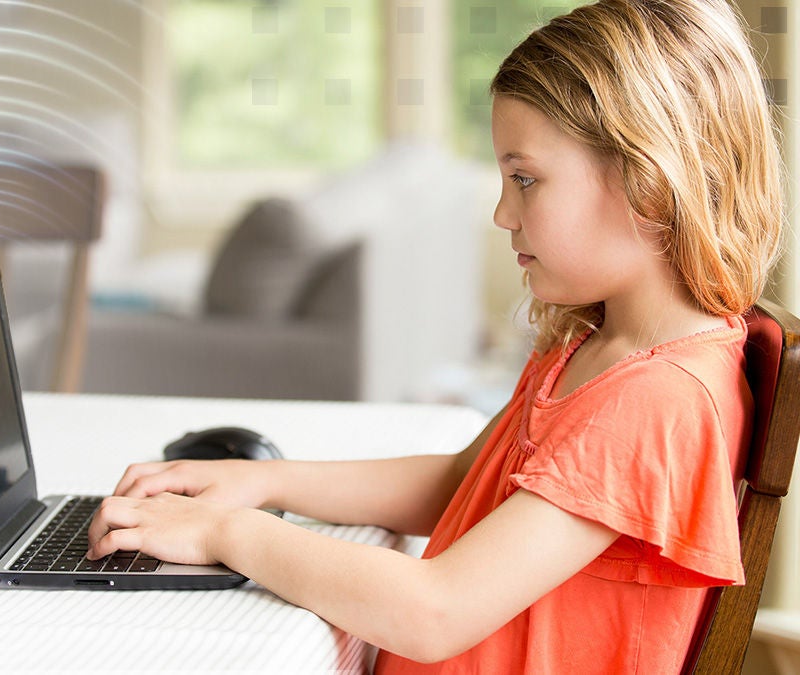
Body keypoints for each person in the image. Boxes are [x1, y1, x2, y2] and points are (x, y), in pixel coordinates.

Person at [85, 0, 784, 670]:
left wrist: (224, 532)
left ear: (648, 184)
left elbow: (436, 610)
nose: (502, 213)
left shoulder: (655, 402)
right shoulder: (602, 346)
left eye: (526, 179)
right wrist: (263, 481)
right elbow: (461, 479)